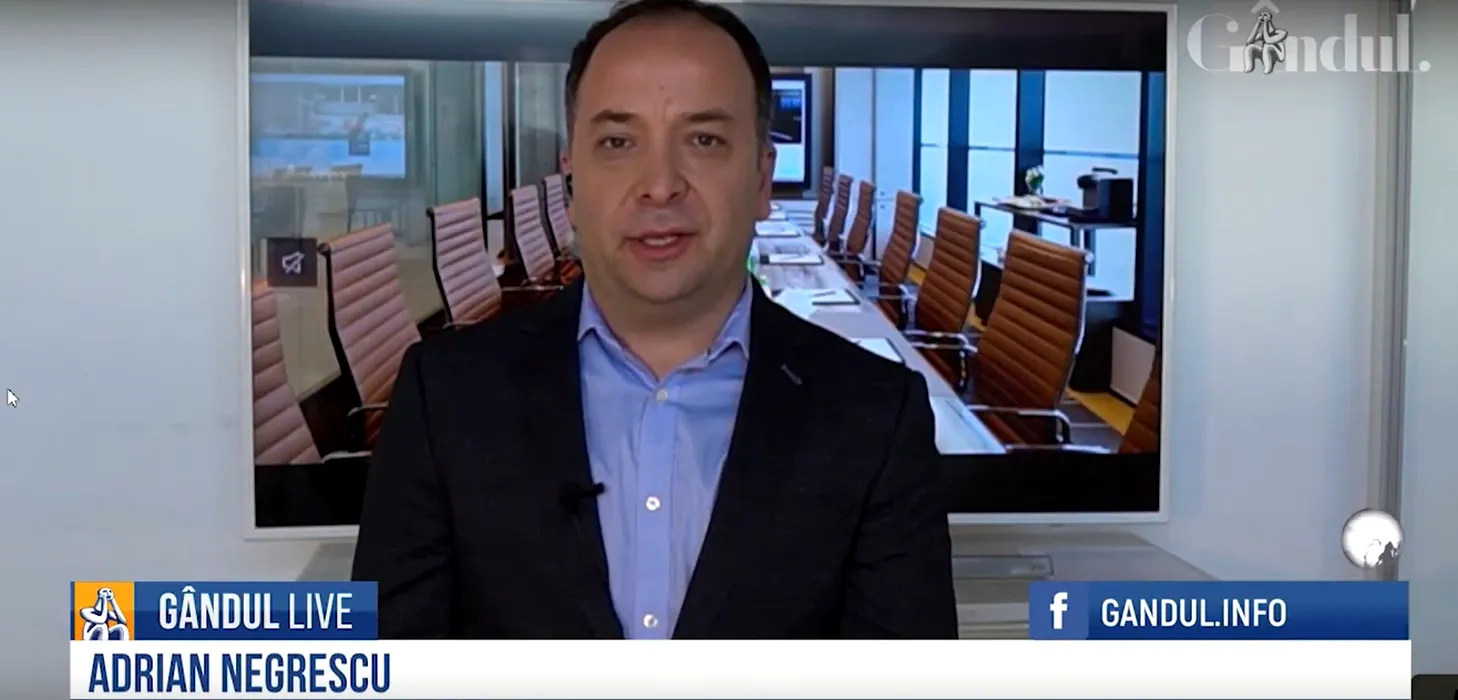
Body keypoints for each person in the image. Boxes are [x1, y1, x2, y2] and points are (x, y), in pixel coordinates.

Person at [351, 0, 956, 639]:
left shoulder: (877, 417)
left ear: (761, 180)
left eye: (704, 140)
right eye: (617, 142)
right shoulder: (443, 398)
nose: (660, 185)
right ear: (571, 179)